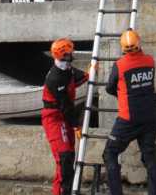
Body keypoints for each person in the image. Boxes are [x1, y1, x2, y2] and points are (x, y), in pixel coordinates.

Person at [103, 30, 156, 195]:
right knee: (149, 157)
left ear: (123, 48)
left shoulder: (120, 65)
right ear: (139, 43)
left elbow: (109, 88)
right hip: (150, 117)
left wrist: (121, 94)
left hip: (128, 119)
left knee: (110, 153)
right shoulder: (150, 61)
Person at [41, 38, 88, 195]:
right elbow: (66, 105)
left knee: (70, 157)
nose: (72, 54)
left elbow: (76, 76)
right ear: (64, 55)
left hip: (63, 116)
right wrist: (76, 125)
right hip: (54, 117)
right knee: (64, 157)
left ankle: (69, 190)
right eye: (70, 52)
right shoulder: (55, 78)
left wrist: (91, 72)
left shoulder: (67, 69)